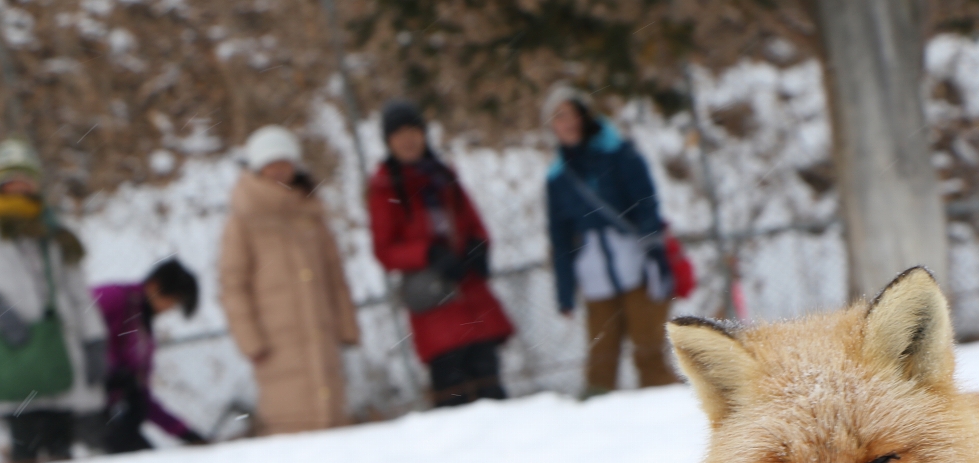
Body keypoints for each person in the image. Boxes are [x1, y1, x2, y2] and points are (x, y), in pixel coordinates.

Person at [0, 137, 106, 463]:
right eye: (11, 179)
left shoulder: (52, 229)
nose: (19, 186)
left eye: (25, 179)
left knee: (62, 450)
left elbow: (78, 291)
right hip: (12, 354)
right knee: (26, 450)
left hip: (57, 351)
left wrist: (94, 339)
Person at [368, 100, 514, 407]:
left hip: (470, 291)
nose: (408, 140)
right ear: (388, 142)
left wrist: (478, 247)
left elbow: (474, 223)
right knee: (454, 394)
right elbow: (385, 250)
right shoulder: (385, 187)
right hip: (435, 300)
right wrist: (427, 254)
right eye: (399, 135)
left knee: (490, 385)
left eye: (413, 131)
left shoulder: (443, 175)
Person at [218, 125, 360, 434]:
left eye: (285, 162)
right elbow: (233, 285)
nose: (279, 170)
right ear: (258, 167)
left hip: (320, 330)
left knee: (332, 413)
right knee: (291, 421)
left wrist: (346, 324)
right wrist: (251, 340)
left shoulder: (311, 213)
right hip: (275, 340)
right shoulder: (243, 219)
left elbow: (334, 273)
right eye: (271, 163)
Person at [543, 83, 677, 396]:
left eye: (572, 114)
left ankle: (666, 412)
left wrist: (652, 249)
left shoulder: (619, 153)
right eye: (559, 117)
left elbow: (646, 203)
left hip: (636, 263)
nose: (568, 122)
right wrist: (564, 291)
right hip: (594, 276)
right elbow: (560, 236)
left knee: (649, 351)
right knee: (601, 362)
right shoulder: (557, 177)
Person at [92, 257, 207, 453]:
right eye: (173, 300)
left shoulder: (143, 330)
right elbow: (74, 333)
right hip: (80, 406)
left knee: (147, 461)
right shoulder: (115, 299)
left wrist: (184, 433)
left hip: (112, 413)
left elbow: (141, 395)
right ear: (154, 285)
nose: (170, 308)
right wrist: (110, 373)